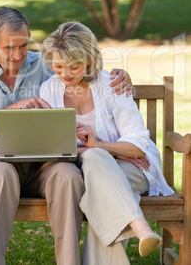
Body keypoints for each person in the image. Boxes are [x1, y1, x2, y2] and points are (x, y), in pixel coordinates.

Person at [0, 6, 132, 265]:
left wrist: (118, 77)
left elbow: (81, 73)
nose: (18, 55)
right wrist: (12, 110)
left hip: (42, 163)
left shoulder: (44, 63)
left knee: (69, 176)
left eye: (24, 46)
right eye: (9, 48)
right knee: (2, 174)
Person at [40, 21, 174, 264]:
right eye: (57, 66)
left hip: (136, 168)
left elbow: (137, 147)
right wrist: (109, 152)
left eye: (74, 66)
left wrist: (99, 145)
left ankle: (138, 226)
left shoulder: (112, 85)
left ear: (90, 61)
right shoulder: (48, 90)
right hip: (94, 173)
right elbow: (51, 146)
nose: (65, 74)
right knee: (98, 186)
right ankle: (140, 226)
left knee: (95, 167)